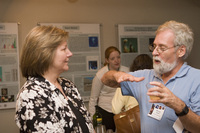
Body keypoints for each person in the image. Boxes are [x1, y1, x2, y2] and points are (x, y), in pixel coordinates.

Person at [101, 20, 200, 133]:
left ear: (181, 51)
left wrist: (179, 106)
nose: (154, 53)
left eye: (162, 48)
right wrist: (115, 74)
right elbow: (105, 79)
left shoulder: (196, 79)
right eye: (154, 46)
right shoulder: (143, 77)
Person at [15, 25, 94, 133]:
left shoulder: (68, 86)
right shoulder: (31, 95)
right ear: (45, 53)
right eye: (64, 49)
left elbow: (88, 125)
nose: (70, 53)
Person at [89, 46, 129, 131]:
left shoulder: (126, 71)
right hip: (105, 111)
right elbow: (93, 98)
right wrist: (92, 120)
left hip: (122, 111)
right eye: (112, 58)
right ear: (107, 60)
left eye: (118, 57)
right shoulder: (100, 75)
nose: (116, 60)